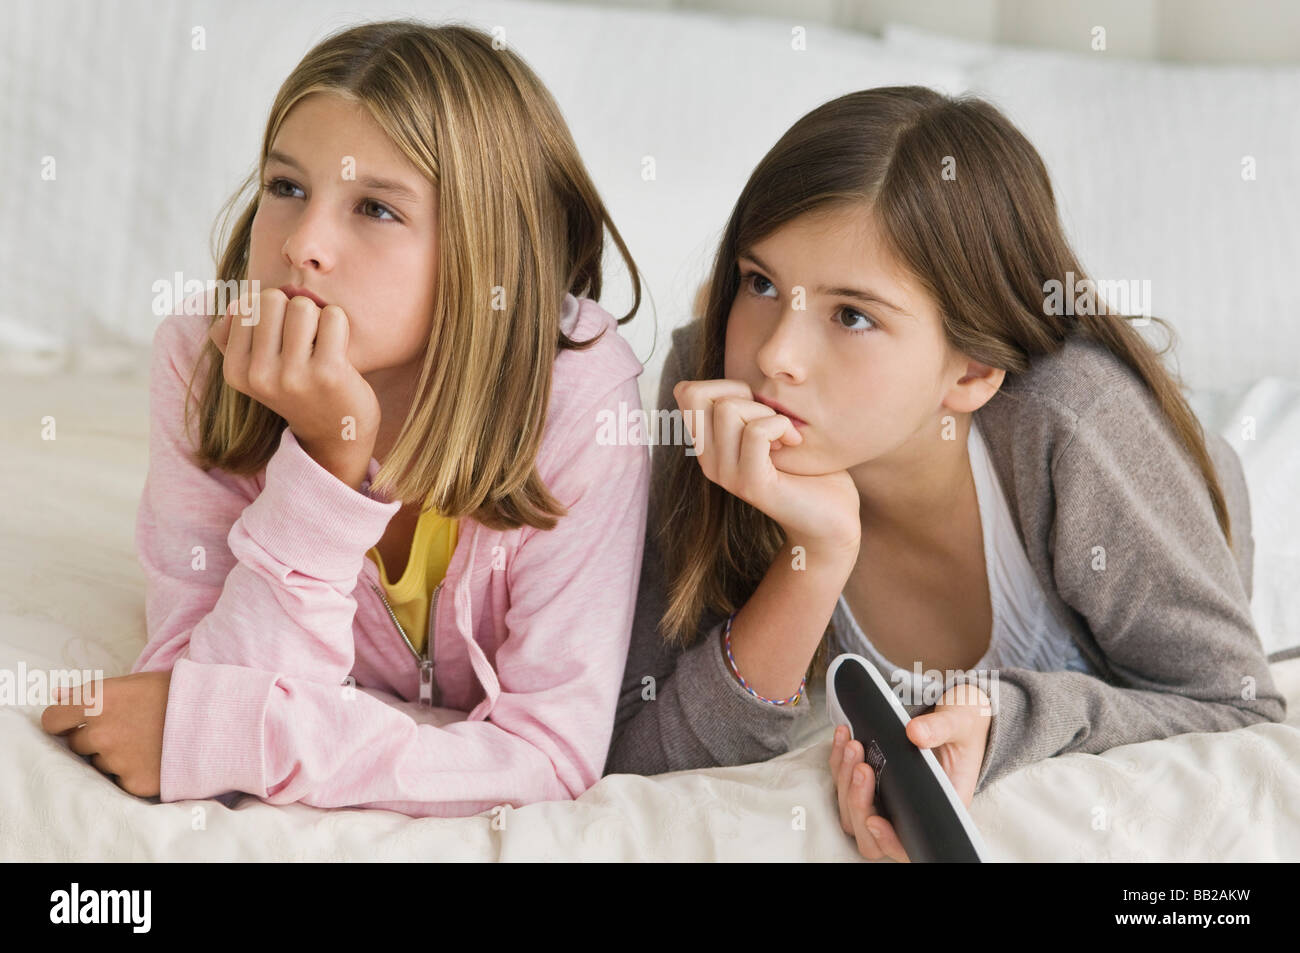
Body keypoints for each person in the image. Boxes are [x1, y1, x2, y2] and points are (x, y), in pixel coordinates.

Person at [604, 86, 1284, 861]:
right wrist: (812, 559)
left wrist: (1012, 719)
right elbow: (639, 753)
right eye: (761, 283)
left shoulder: (1078, 429)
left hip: (1204, 508)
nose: (774, 357)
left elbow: (1237, 707)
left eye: (851, 314)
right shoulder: (710, 391)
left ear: (970, 371)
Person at [42, 20, 649, 819]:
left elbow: (551, 754)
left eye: (375, 208)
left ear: (490, 255)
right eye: (287, 188)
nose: (304, 245)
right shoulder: (201, 361)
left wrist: (273, 742)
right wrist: (330, 462)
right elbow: (192, 692)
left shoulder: (578, 403)